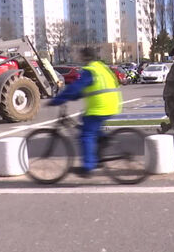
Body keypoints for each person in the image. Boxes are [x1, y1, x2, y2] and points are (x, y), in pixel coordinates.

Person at [49, 47, 122, 177]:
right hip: (113, 103)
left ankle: (88, 167)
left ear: (86, 58)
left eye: (81, 57)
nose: (80, 59)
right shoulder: (102, 67)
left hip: (100, 107)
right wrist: (74, 96)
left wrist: (58, 100)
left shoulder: (89, 71)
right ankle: (102, 139)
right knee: (87, 120)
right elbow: (86, 89)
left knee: (86, 134)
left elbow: (75, 87)